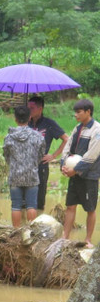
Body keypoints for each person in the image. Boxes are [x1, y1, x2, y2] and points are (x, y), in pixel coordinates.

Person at [60, 99, 100, 247]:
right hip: (73, 174)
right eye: (75, 112)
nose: (75, 115)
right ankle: (65, 236)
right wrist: (63, 164)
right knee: (70, 205)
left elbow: (92, 155)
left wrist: (75, 170)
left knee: (90, 208)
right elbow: (67, 146)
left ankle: (88, 239)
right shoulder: (77, 128)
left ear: (88, 112)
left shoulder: (97, 130)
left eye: (78, 112)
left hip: (89, 176)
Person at [3, 105, 45, 228]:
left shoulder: (9, 137)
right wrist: (32, 164)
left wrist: (14, 165)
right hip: (31, 175)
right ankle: (31, 233)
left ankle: (16, 232)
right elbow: (41, 155)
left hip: (15, 175)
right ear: (30, 117)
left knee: (16, 205)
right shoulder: (38, 136)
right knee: (31, 205)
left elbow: (7, 156)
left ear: (15, 119)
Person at [28, 95, 70, 214]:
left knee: (40, 198)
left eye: (32, 108)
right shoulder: (25, 123)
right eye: (28, 108)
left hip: (41, 165)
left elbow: (66, 139)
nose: (29, 110)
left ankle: (38, 222)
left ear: (40, 109)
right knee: (24, 198)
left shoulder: (49, 124)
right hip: (26, 165)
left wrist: (53, 156)